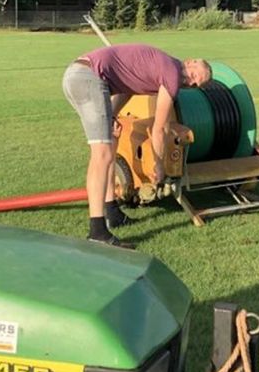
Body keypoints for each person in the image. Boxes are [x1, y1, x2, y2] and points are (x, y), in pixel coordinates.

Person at [62, 44, 211, 248]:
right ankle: (97, 231)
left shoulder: (162, 68)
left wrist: (113, 114)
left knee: (110, 142)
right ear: (190, 62)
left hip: (78, 75)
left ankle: (111, 211)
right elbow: (160, 129)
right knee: (102, 154)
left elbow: (126, 90)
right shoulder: (173, 74)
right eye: (195, 74)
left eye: (196, 84)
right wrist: (159, 165)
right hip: (87, 78)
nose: (191, 82)